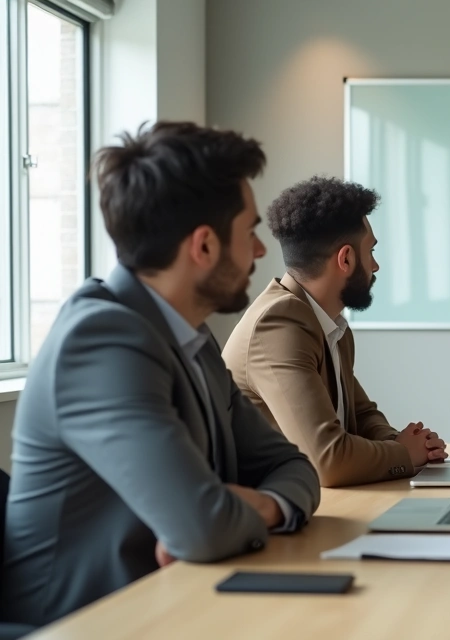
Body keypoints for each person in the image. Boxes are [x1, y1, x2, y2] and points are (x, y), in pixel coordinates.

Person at [0, 122, 322, 627]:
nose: (260, 252)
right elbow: (203, 527)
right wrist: (255, 507)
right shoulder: (101, 341)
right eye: (250, 231)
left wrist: (265, 505)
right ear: (204, 247)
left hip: (174, 606)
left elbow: (293, 466)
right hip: (85, 625)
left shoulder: (187, 335)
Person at [223, 176, 447, 487]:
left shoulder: (325, 322)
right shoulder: (278, 323)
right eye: (371, 252)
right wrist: (403, 455)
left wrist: (406, 442)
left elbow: (362, 415)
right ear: (346, 259)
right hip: (275, 518)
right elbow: (327, 460)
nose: (375, 266)